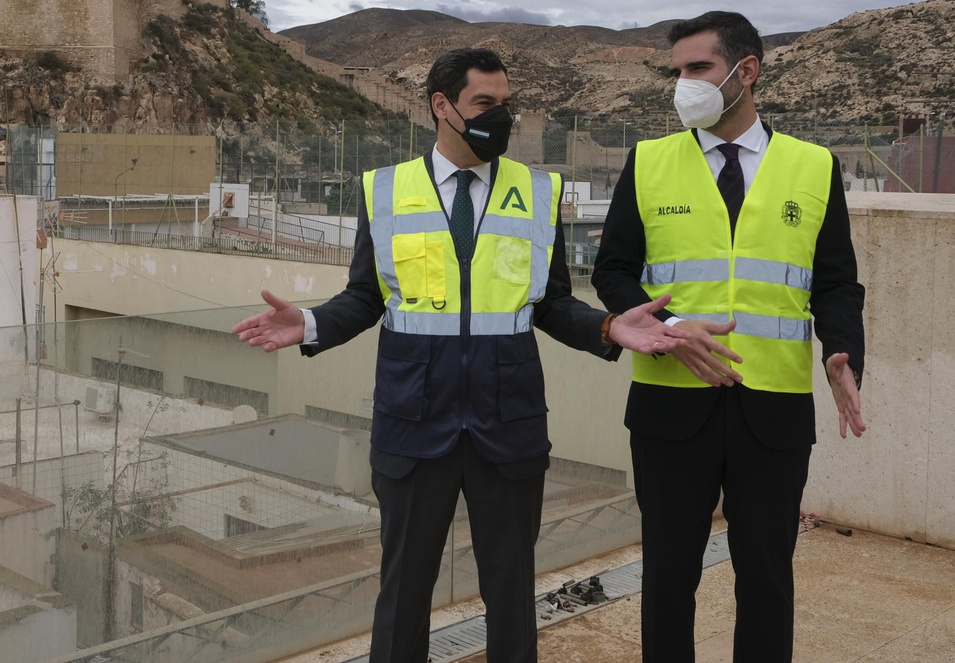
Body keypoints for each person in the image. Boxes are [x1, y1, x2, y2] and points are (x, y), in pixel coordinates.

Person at [232, 47, 686, 663]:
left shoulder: (539, 191)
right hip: (414, 424)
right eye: (484, 105)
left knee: (510, 588)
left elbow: (550, 304)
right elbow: (367, 297)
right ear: (441, 107)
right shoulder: (383, 190)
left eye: (506, 105)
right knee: (405, 589)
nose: (500, 118)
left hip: (510, 422)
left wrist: (608, 327)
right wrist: (310, 323)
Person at [592, 11, 867, 663]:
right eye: (677, 70)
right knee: (667, 579)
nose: (681, 83)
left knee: (768, 580)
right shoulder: (650, 162)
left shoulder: (814, 167)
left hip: (772, 410)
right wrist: (662, 329)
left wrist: (840, 348)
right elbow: (613, 271)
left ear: (747, 72)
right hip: (669, 410)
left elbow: (836, 282)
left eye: (697, 68)